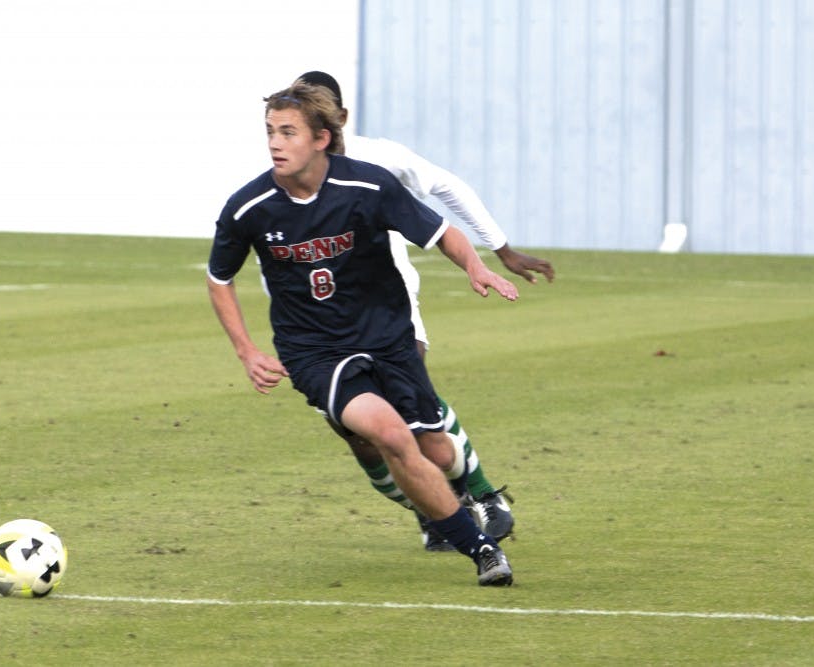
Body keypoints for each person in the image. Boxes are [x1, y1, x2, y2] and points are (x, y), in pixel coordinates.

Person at [207, 82, 519, 586]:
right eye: (270, 132)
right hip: (315, 352)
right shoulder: (250, 207)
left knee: (435, 451)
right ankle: (481, 548)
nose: (275, 143)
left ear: (322, 138)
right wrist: (245, 350)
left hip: (388, 338)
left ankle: (465, 497)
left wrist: (475, 267)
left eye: (288, 132)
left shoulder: (370, 186)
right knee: (389, 436)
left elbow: (442, 233)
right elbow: (219, 278)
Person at [296, 71, 555, 549]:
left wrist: (499, 249)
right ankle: (431, 508)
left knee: (414, 411)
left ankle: (482, 496)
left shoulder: (379, 158)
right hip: (322, 325)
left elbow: (446, 187)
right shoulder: (285, 174)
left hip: (388, 307)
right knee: (355, 433)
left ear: (338, 119)